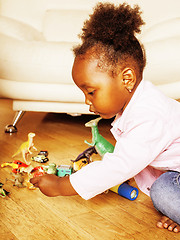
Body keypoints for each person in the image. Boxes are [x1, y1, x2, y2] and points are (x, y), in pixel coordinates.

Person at [30, 2, 180, 233]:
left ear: (127, 79)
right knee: (164, 190)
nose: (87, 102)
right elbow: (138, 155)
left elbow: (119, 165)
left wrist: (63, 185)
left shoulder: (149, 114)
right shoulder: (136, 106)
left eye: (91, 92)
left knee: (163, 193)